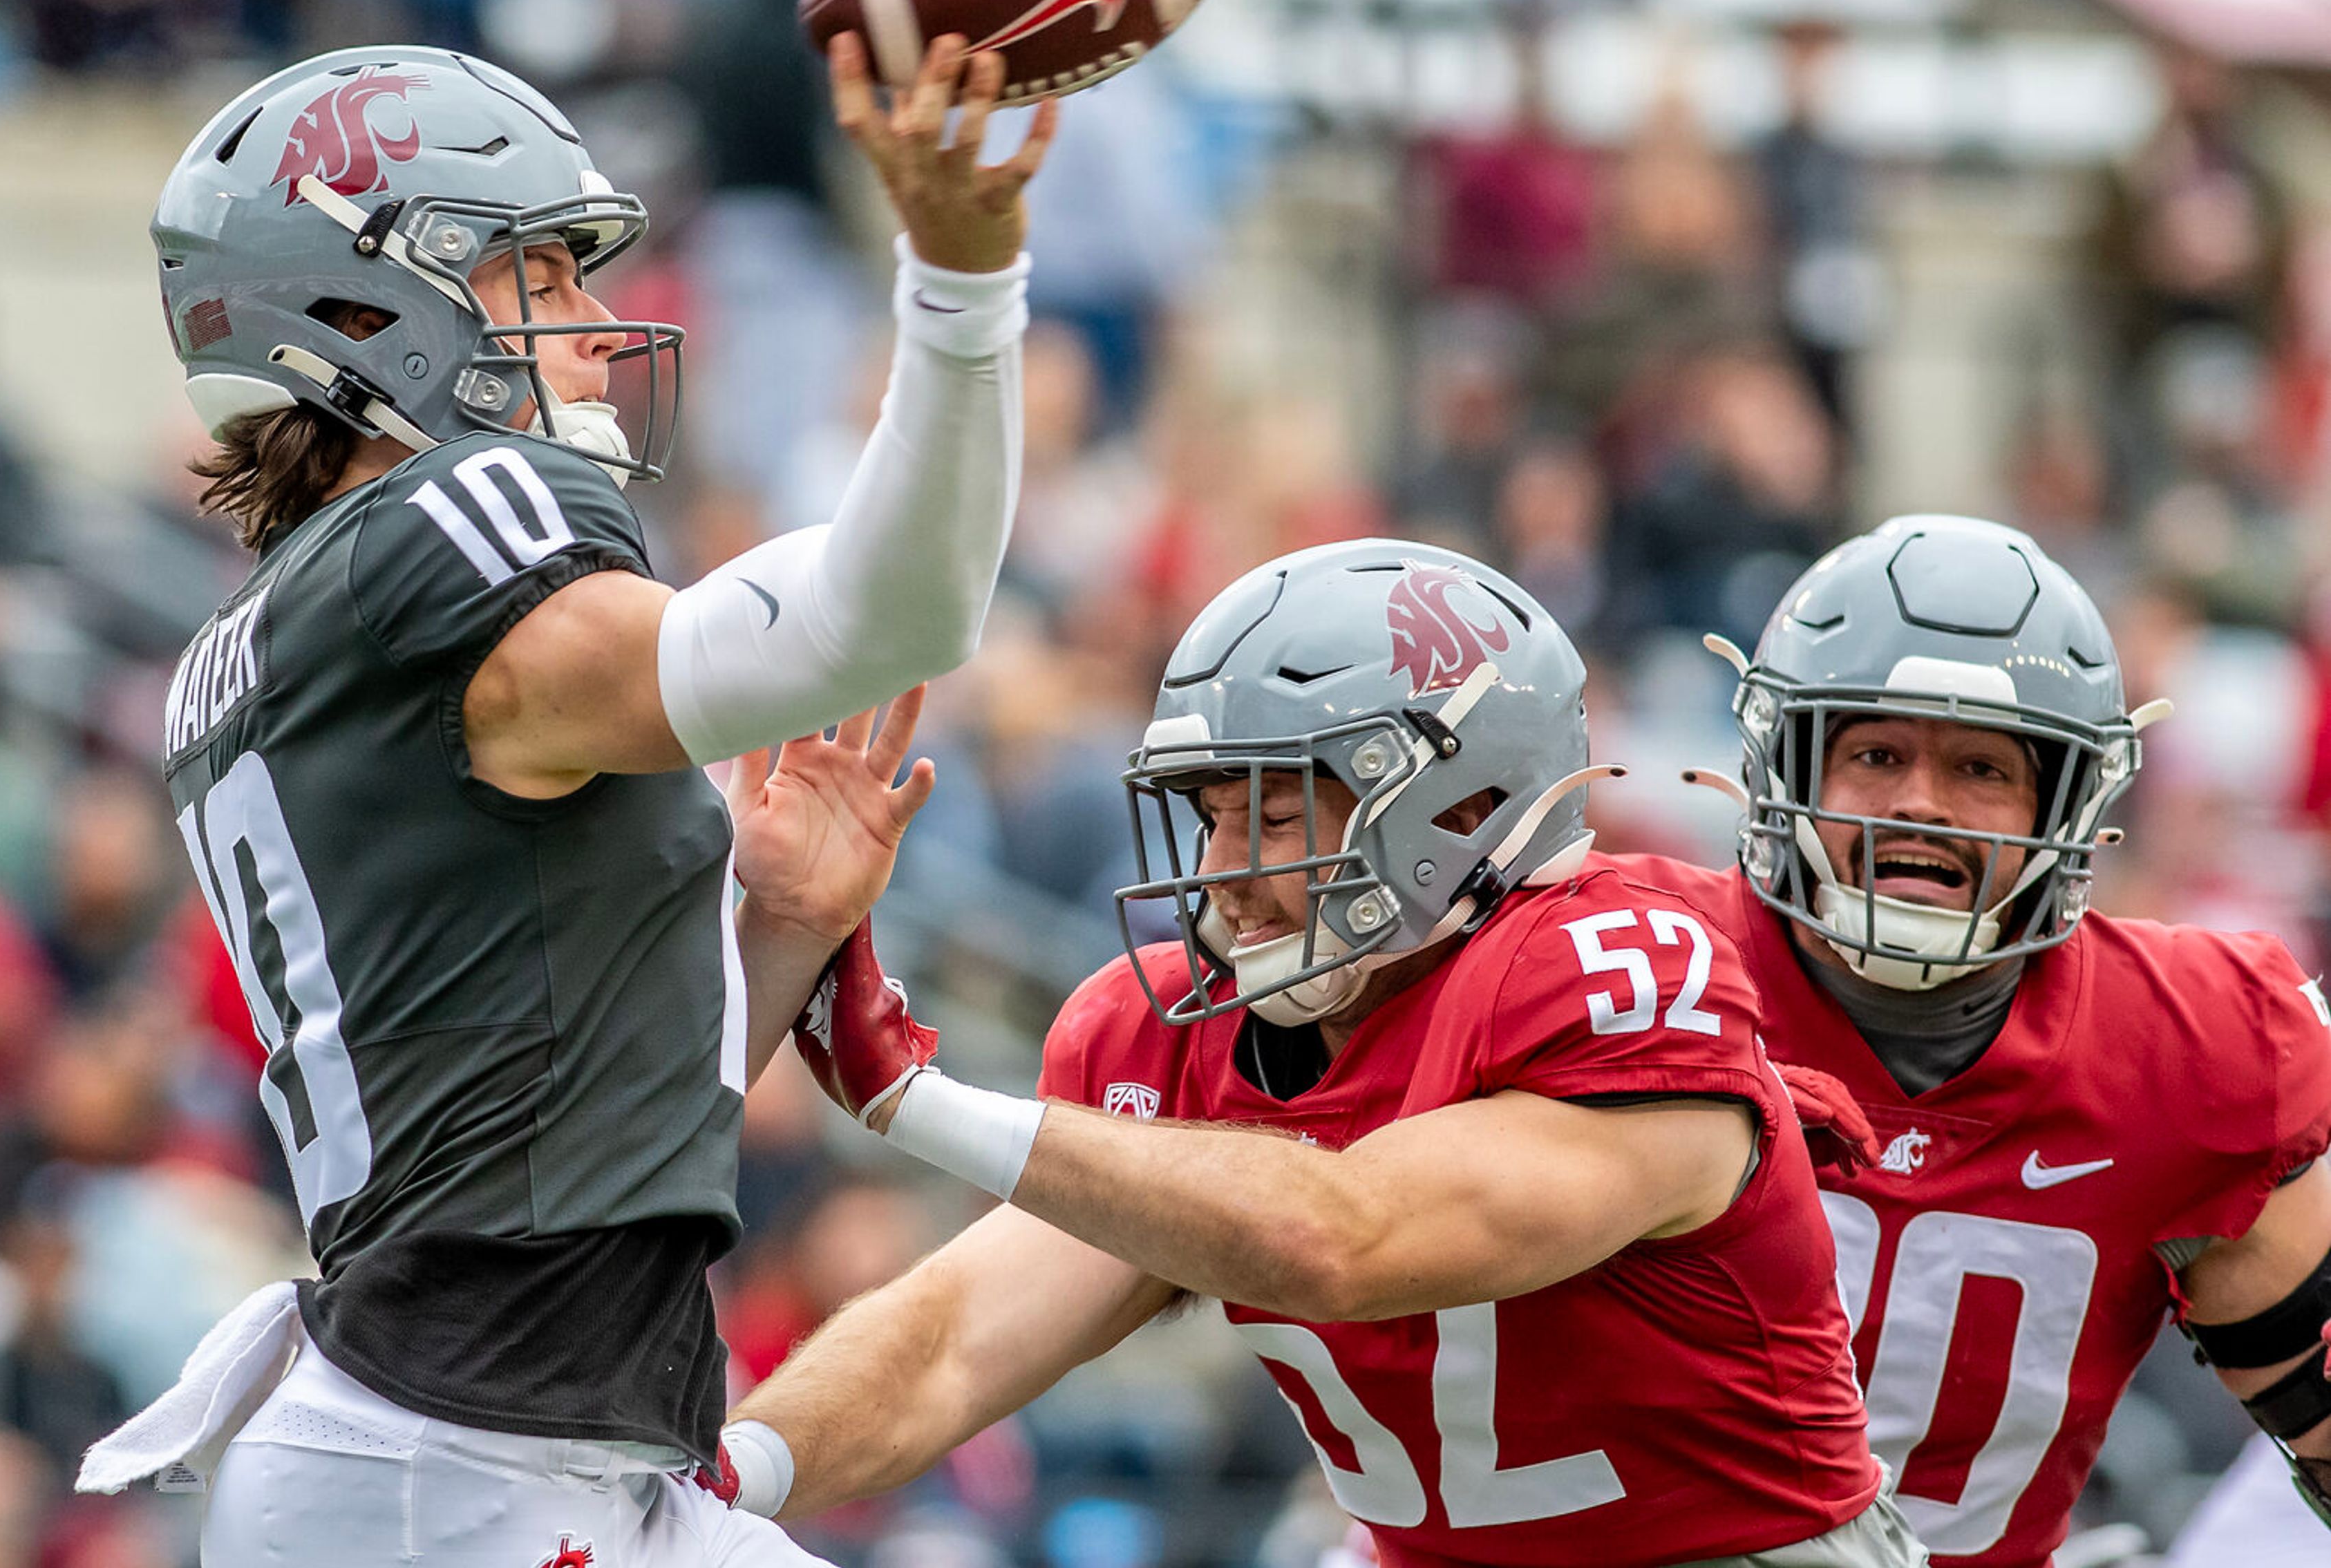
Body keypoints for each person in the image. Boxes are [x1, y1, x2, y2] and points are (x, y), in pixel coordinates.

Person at [74, 31, 1057, 1568]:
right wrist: (961, 279)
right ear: (360, 308)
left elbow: (552, 1094)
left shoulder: (291, 631)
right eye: (542, 274)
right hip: (461, 1464)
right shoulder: (439, 531)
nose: (603, 325)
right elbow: (886, 617)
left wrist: (780, 928)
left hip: (472, 1449)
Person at [736, 539, 1929, 1568]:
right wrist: (728, 1481)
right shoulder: (1169, 1027)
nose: (1222, 869)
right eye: (1212, 812)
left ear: (1465, 808)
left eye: (1276, 811)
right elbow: (951, 1341)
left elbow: (1348, 1237)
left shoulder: (1613, 968)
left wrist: (914, 1097)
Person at [1601, 514, 2331, 1565]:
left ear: (2067, 808)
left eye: (1983, 769)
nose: (1920, 805)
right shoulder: (1628, 968)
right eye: (1877, 754)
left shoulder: (2191, 1047)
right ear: (1791, 769)